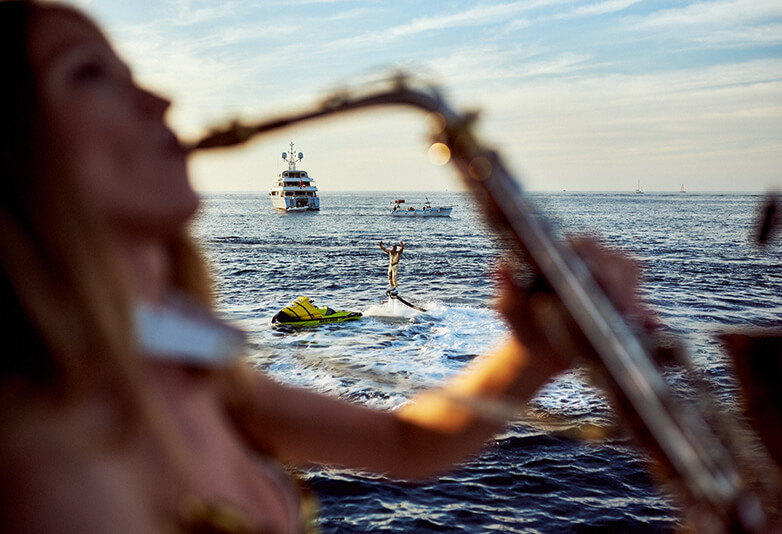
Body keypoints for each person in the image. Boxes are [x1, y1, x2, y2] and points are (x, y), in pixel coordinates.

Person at [0, 2, 653, 533]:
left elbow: (408, 446)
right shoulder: (52, 463)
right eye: (88, 73)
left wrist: (532, 352)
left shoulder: (195, 373)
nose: (160, 100)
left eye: (129, 70)